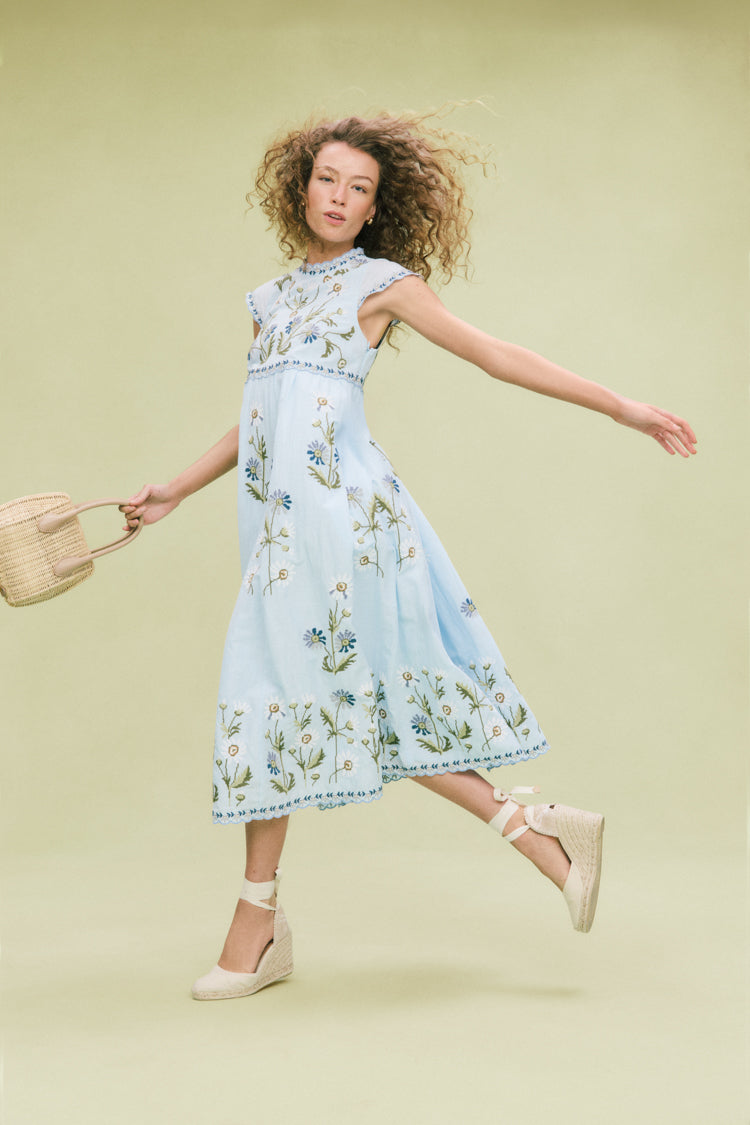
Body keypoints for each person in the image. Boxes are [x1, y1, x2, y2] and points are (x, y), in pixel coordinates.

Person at [122, 113, 697, 1002]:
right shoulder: (269, 303)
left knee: (283, 693)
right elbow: (264, 415)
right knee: (308, 701)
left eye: (359, 188)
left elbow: (495, 356)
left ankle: (256, 927)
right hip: (279, 531)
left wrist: (623, 406)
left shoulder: (383, 286)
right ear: (299, 187)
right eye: (327, 179)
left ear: (375, 206)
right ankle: (539, 835)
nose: (340, 198)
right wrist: (175, 489)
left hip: (346, 525)